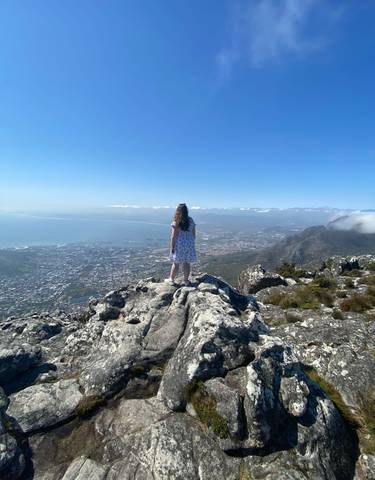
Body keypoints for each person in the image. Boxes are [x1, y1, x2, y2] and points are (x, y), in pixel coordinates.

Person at [165, 203, 197, 285]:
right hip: (189, 243)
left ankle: (171, 280)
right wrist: (190, 242)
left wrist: (172, 247)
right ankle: (186, 280)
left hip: (180, 243)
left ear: (178, 211)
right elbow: (193, 234)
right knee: (187, 262)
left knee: (176, 262)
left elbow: (173, 236)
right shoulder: (191, 220)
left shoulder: (176, 221)